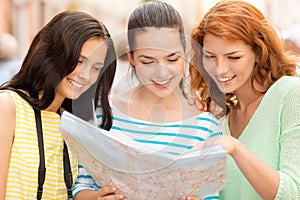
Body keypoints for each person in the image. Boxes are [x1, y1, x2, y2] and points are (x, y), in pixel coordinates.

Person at [73, 2, 223, 200]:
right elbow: (81, 185)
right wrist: (96, 198)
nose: (162, 72)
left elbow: (211, 195)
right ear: (132, 56)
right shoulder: (103, 113)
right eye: (148, 61)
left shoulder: (205, 125)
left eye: (172, 59)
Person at [0, 10, 117, 199]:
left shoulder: (72, 123)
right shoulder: (7, 107)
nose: (86, 75)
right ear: (53, 54)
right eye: (79, 61)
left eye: (96, 68)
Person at [189, 0, 300, 199]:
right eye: (210, 56)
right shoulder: (220, 115)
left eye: (233, 57)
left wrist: (235, 148)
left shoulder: (291, 95)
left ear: (259, 52)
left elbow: (293, 193)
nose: (220, 69)